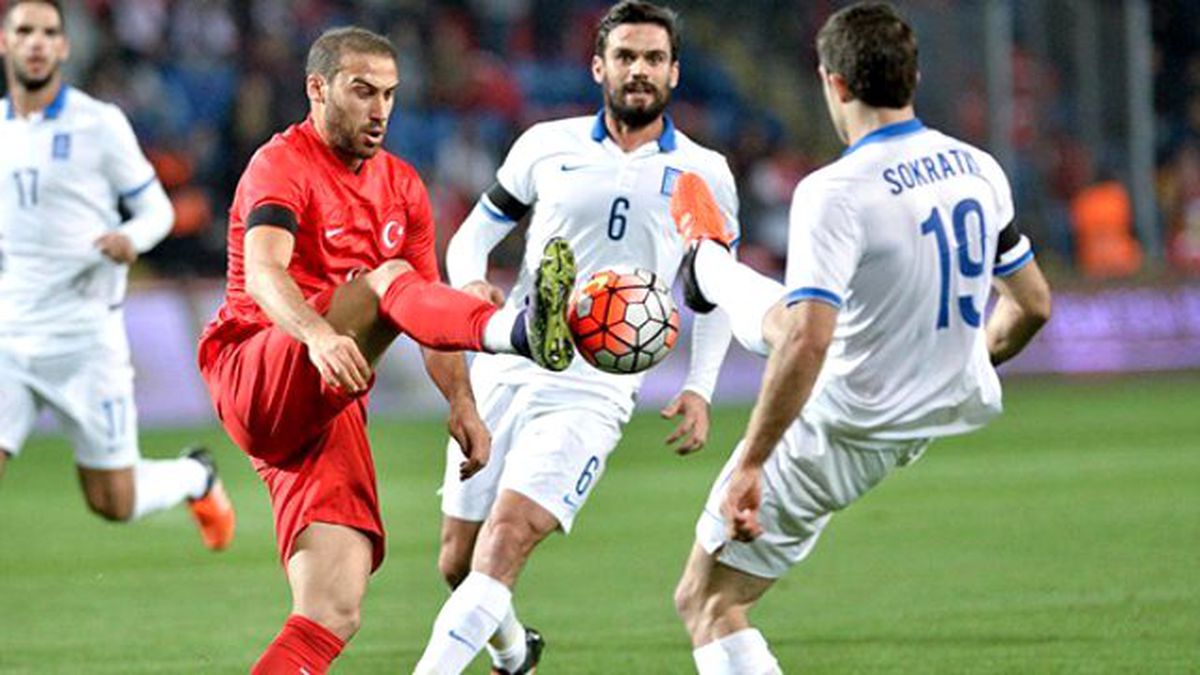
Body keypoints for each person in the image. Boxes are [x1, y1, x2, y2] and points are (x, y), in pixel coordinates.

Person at [667, 3, 1053, 673]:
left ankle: (705, 264)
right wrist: (964, 356)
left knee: (706, 601)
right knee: (790, 315)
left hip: (838, 429)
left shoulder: (835, 191)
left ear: (833, 83)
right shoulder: (978, 168)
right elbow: (1033, 304)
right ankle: (708, 265)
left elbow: (809, 346)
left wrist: (753, 459)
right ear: (915, 76)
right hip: (925, 415)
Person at [196, 25, 577, 674]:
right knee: (386, 281)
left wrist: (463, 401)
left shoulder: (403, 188)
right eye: (362, 91)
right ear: (317, 90)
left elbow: (422, 309)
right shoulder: (281, 163)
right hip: (256, 361)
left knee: (332, 611)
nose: (379, 110)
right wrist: (315, 334)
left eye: (391, 95)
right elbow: (264, 271)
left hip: (328, 403)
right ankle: (516, 330)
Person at [414, 2, 738, 673]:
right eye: (625, 56)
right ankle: (515, 654)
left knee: (504, 541)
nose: (638, 70)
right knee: (457, 561)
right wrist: (471, 282)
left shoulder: (707, 172)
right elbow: (473, 235)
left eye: (653, 58)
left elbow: (714, 290)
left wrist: (700, 386)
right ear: (599, 66)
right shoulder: (544, 145)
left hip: (596, 389)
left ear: (675, 72)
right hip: (512, 360)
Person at [0, 0, 234, 550]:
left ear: (64, 46)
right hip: (9, 335)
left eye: (48, 32)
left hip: (85, 338)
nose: (37, 41)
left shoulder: (98, 124)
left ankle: (194, 476)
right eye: (24, 31)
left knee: (114, 502)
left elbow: (157, 208)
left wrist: (132, 238)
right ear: (5, 43)